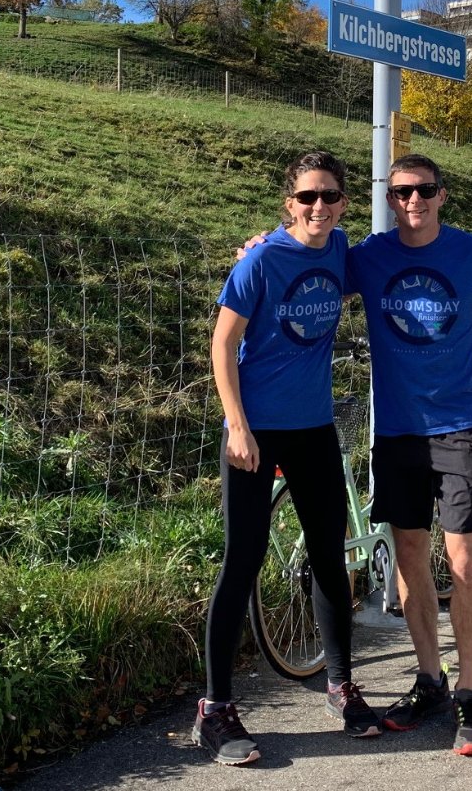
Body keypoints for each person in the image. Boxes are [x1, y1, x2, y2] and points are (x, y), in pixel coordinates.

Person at [192, 150, 382, 767]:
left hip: (314, 429)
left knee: (329, 558)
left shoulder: (338, 247)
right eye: (307, 198)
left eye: (329, 196)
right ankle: (214, 711)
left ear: (343, 202)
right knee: (241, 562)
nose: (318, 207)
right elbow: (222, 346)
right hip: (256, 431)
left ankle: (340, 686)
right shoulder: (262, 260)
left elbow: (368, 270)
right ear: (288, 204)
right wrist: (239, 427)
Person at [347, 153, 472, 757]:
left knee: (465, 563)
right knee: (408, 555)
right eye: (401, 192)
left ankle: (471, 694)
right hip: (398, 432)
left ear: (442, 195)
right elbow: (309, 263)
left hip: (461, 427)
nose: (412, 201)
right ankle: (430, 678)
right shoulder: (371, 255)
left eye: (423, 190)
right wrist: (259, 247)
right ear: (389, 197)